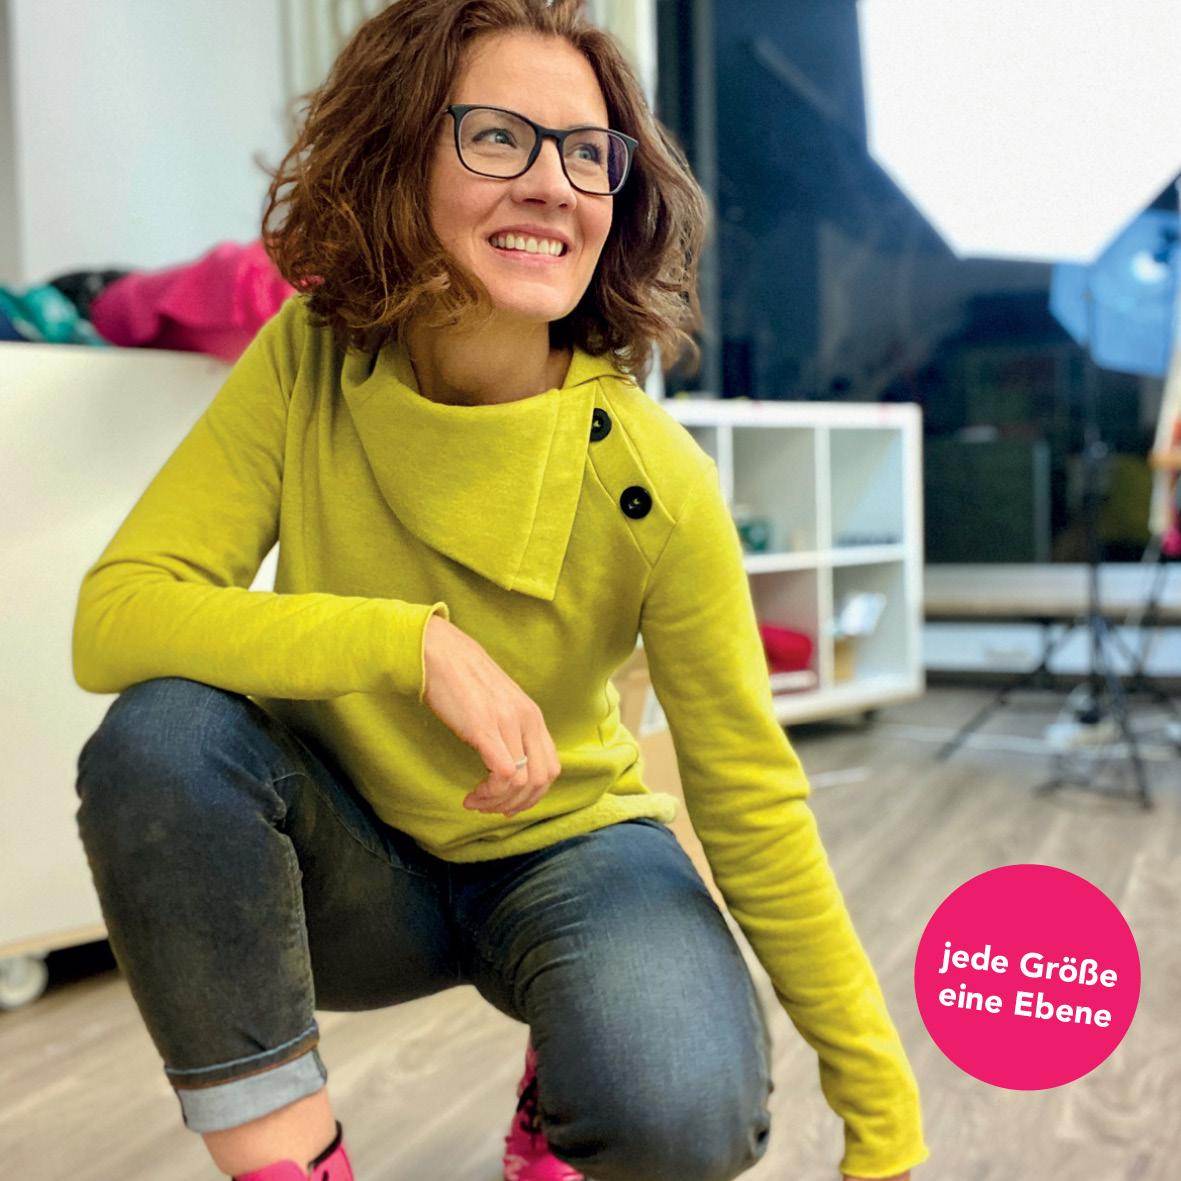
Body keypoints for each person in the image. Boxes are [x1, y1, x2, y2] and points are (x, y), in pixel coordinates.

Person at [70, 2, 930, 1179]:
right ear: (397, 154)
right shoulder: (309, 356)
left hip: (573, 856)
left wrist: (881, 1111)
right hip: (350, 868)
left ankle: (566, 1075)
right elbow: (117, 612)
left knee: (679, 1104)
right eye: (495, 136)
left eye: (585, 153)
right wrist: (405, 643)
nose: (551, 185)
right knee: (160, 734)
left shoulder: (656, 481)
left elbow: (751, 799)